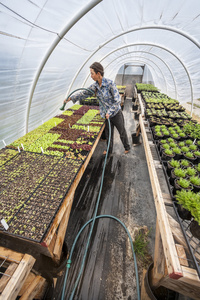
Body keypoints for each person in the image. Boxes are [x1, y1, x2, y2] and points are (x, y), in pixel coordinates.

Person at [64, 62, 130, 155]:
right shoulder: (95, 86)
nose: (91, 76)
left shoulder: (110, 84)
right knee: (108, 134)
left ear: (98, 74)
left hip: (115, 113)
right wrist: (71, 98)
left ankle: (127, 147)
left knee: (121, 131)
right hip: (105, 115)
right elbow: (84, 93)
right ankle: (109, 150)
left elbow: (117, 100)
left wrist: (110, 112)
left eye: (92, 73)